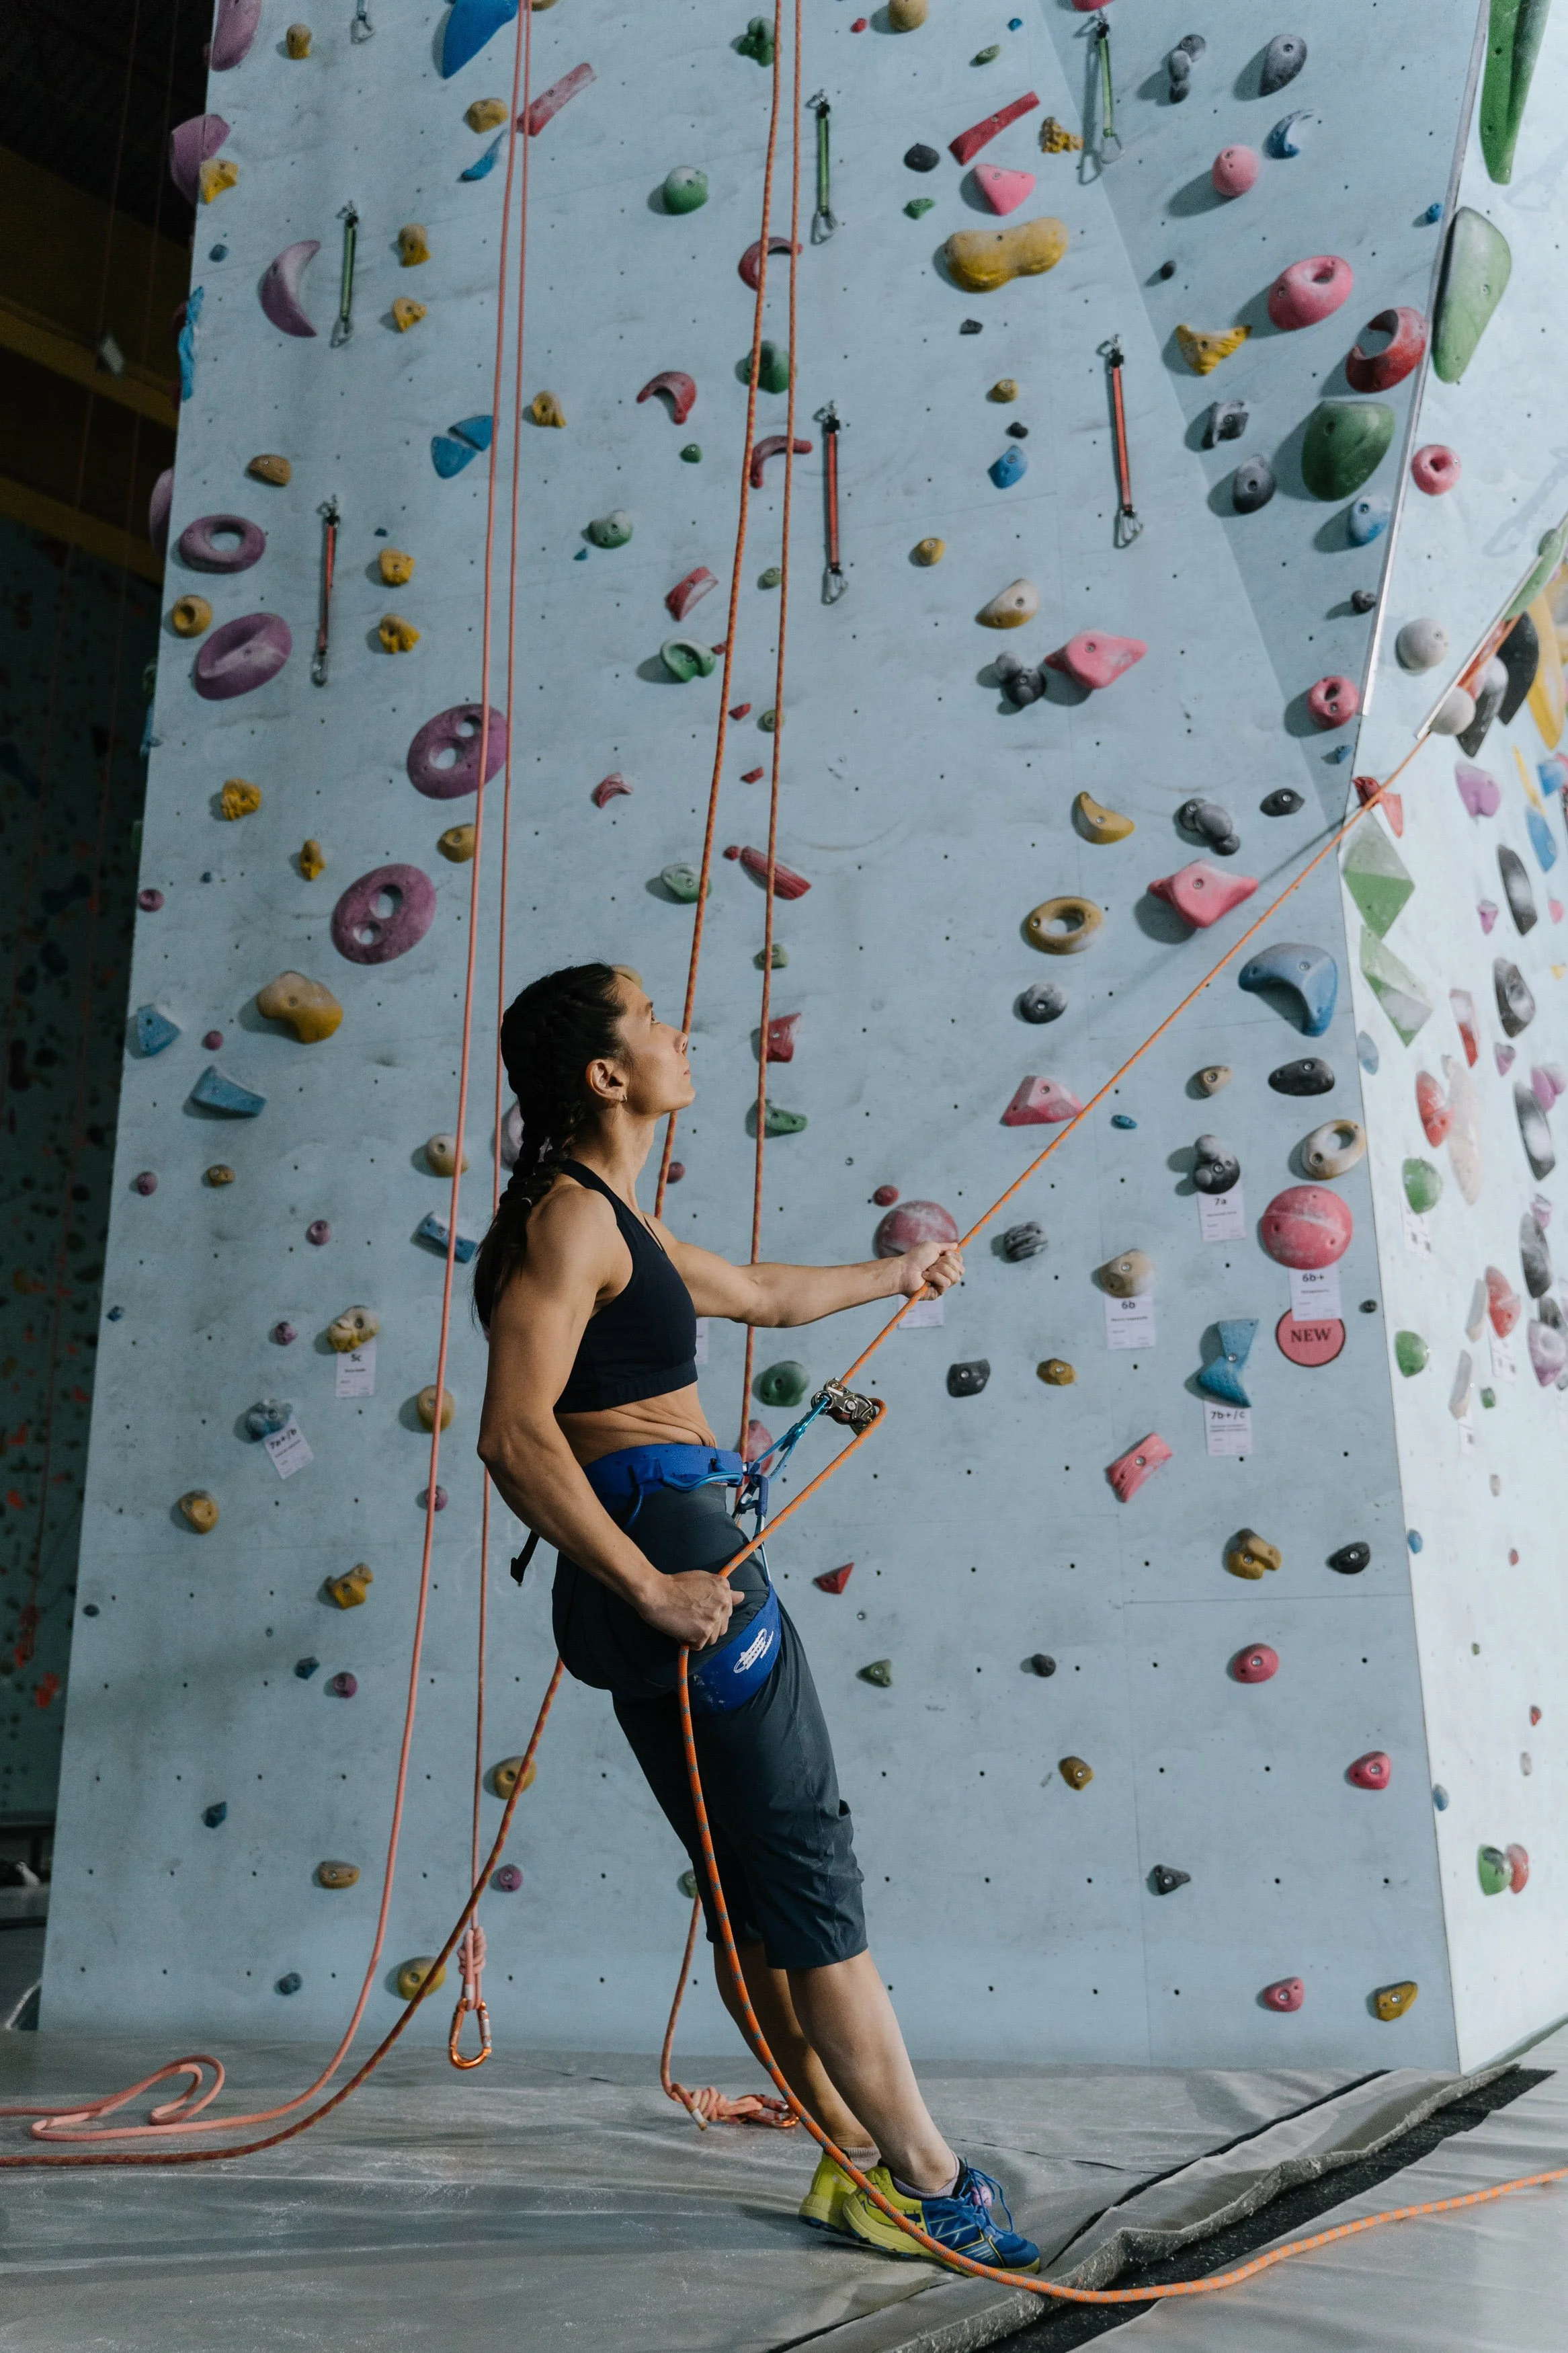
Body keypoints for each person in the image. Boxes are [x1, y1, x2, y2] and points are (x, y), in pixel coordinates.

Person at [475, 961, 1040, 2271]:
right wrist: (652, 1581)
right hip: (673, 1568)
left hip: (644, 1570)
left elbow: (759, 1292)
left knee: (742, 1904)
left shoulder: (606, 1215)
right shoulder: (571, 1222)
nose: (680, 1036)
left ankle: (852, 2164)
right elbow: (512, 1435)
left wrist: (896, 1275)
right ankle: (933, 2183)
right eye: (651, 1021)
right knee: (808, 1884)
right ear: (605, 1074)